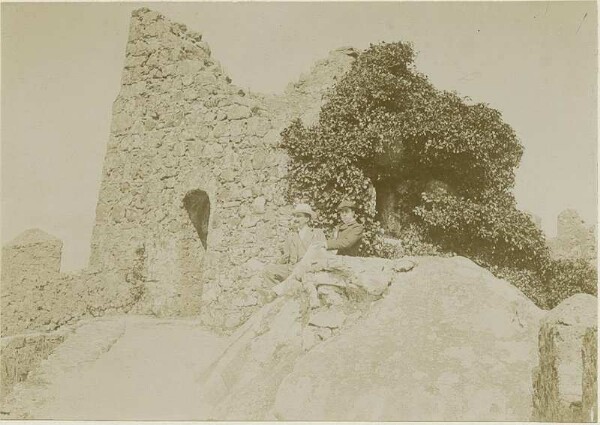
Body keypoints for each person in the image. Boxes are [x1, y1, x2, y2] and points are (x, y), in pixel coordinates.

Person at [262, 203, 326, 285]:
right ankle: (280, 295)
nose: (295, 219)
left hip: (309, 269)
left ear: (307, 219)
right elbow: (285, 257)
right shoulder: (290, 236)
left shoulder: (317, 233)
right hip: (292, 269)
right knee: (268, 270)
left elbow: (322, 255)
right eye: (295, 216)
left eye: (298, 216)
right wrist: (279, 260)